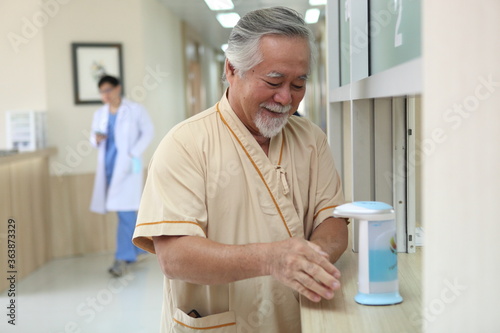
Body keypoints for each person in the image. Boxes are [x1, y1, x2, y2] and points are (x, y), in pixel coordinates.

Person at [133, 6, 348, 332]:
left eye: (299, 83)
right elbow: (174, 257)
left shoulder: (311, 140)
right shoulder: (185, 145)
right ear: (232, 69)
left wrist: (306, 264)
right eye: (274, 80)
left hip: (299, 319)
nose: (286, 98)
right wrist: (272, 259)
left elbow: (332, 220)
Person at [90, 75, 154, 277]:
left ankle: (122, 258)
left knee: (125, 211)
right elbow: (93, 137)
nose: (105, 95)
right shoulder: (100, 113)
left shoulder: (134, 110)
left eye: (108, 90)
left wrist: (133, 152)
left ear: (118, 88)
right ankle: (137, 249)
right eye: (102, 92)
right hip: (107, 167)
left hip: (127, 167)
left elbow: (148, 131)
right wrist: (96, 138)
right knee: (124, 212)